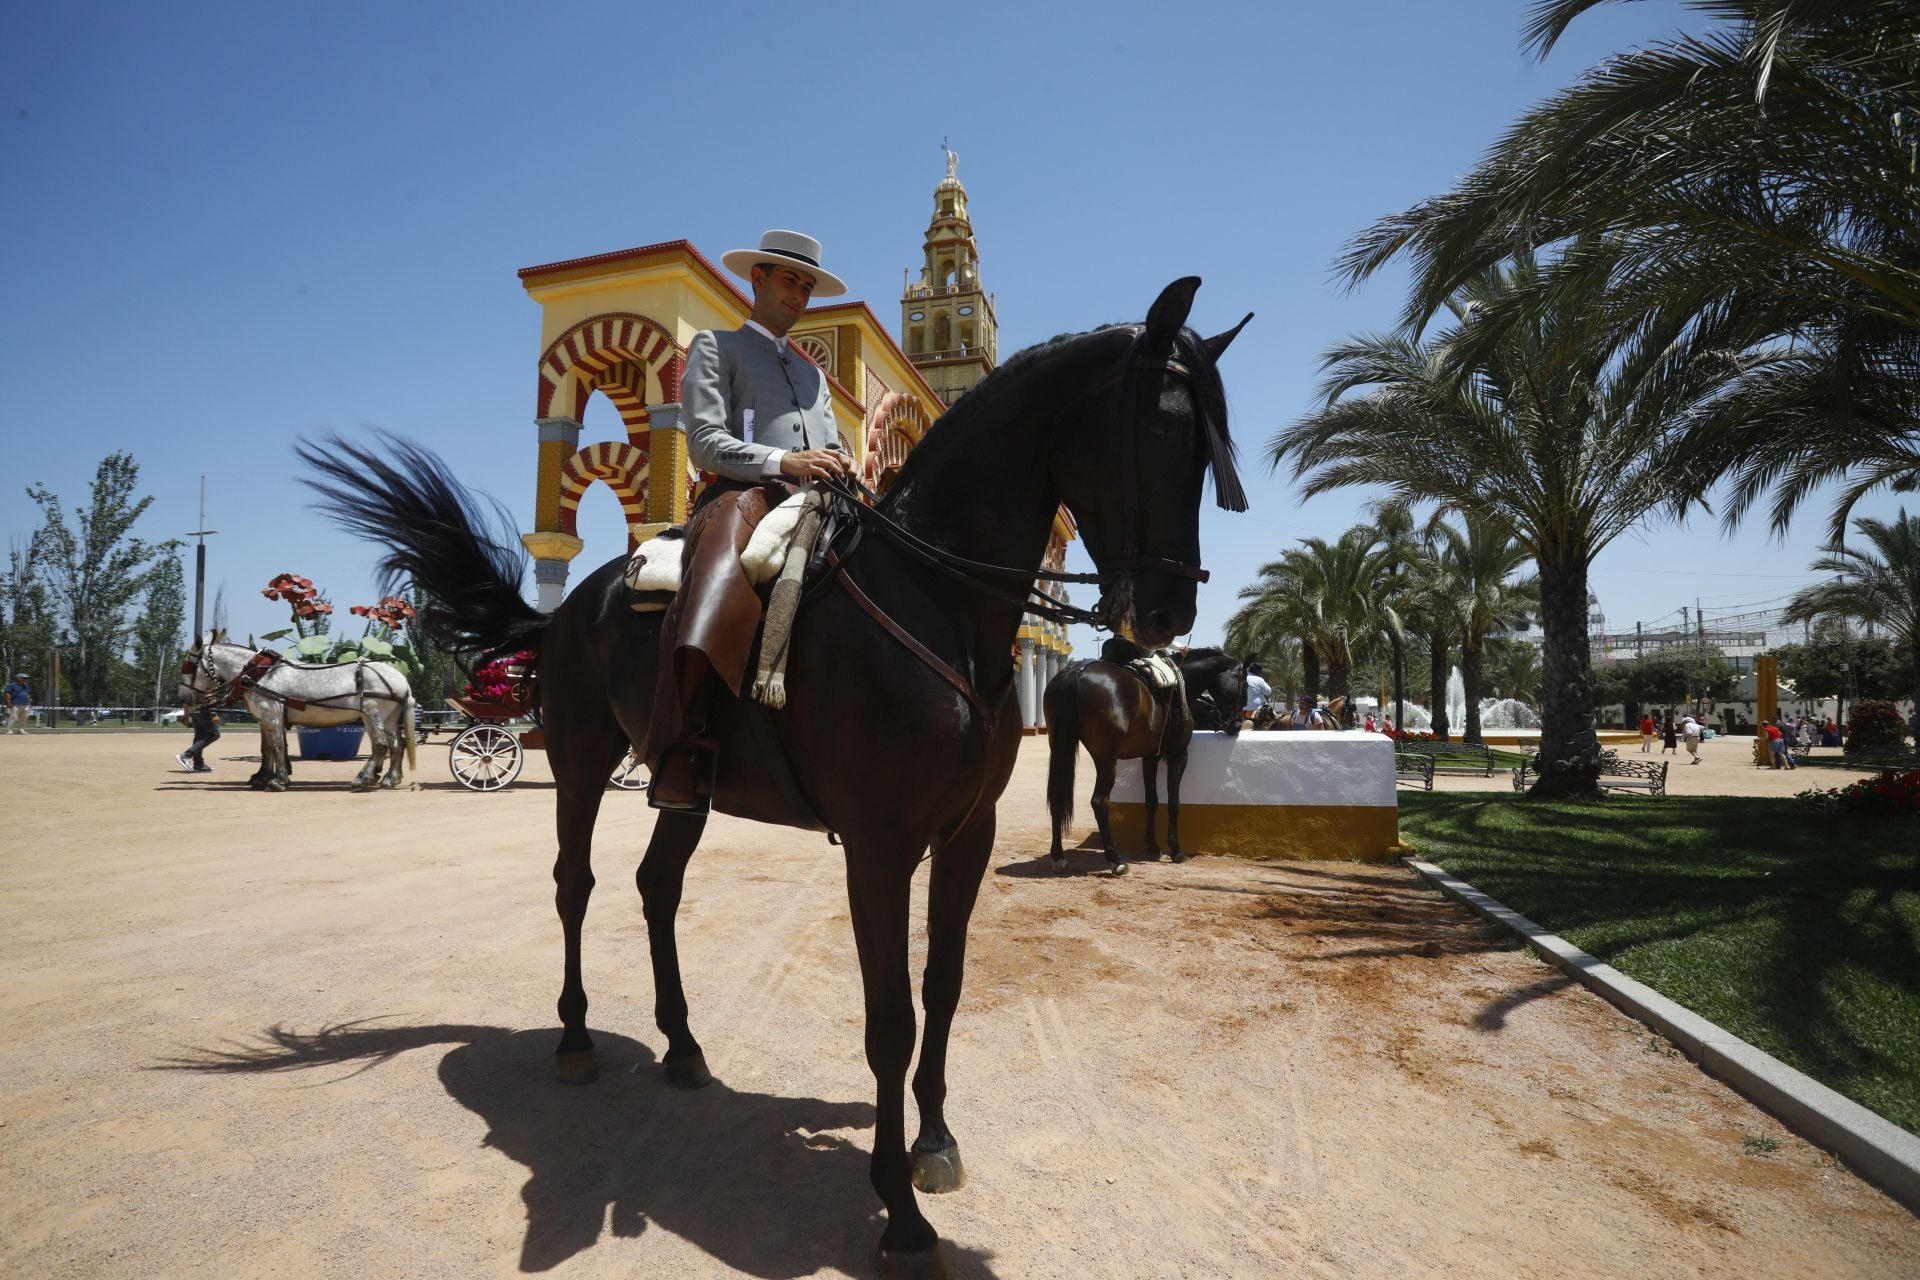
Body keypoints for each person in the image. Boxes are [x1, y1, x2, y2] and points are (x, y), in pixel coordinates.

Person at [644, 230, 852, 812]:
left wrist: (840, 462)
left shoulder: (813, 375)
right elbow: (706, 444)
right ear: (756, 279)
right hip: (743, 493)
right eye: (790, 281)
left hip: (821, 499)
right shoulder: (716, 347)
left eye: (807, 287)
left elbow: (831, 442)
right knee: (717, 576)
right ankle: (683, 744)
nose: (799, 296)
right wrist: (784, 460)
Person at [176, 701, 220, 772]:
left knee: (199, 736)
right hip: (204, 709)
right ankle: (186, 755)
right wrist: (213, 714)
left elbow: (186, 698)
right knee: (214, 733)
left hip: (193, 711)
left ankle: (199, 765)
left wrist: (186, 715)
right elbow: (208, 695)